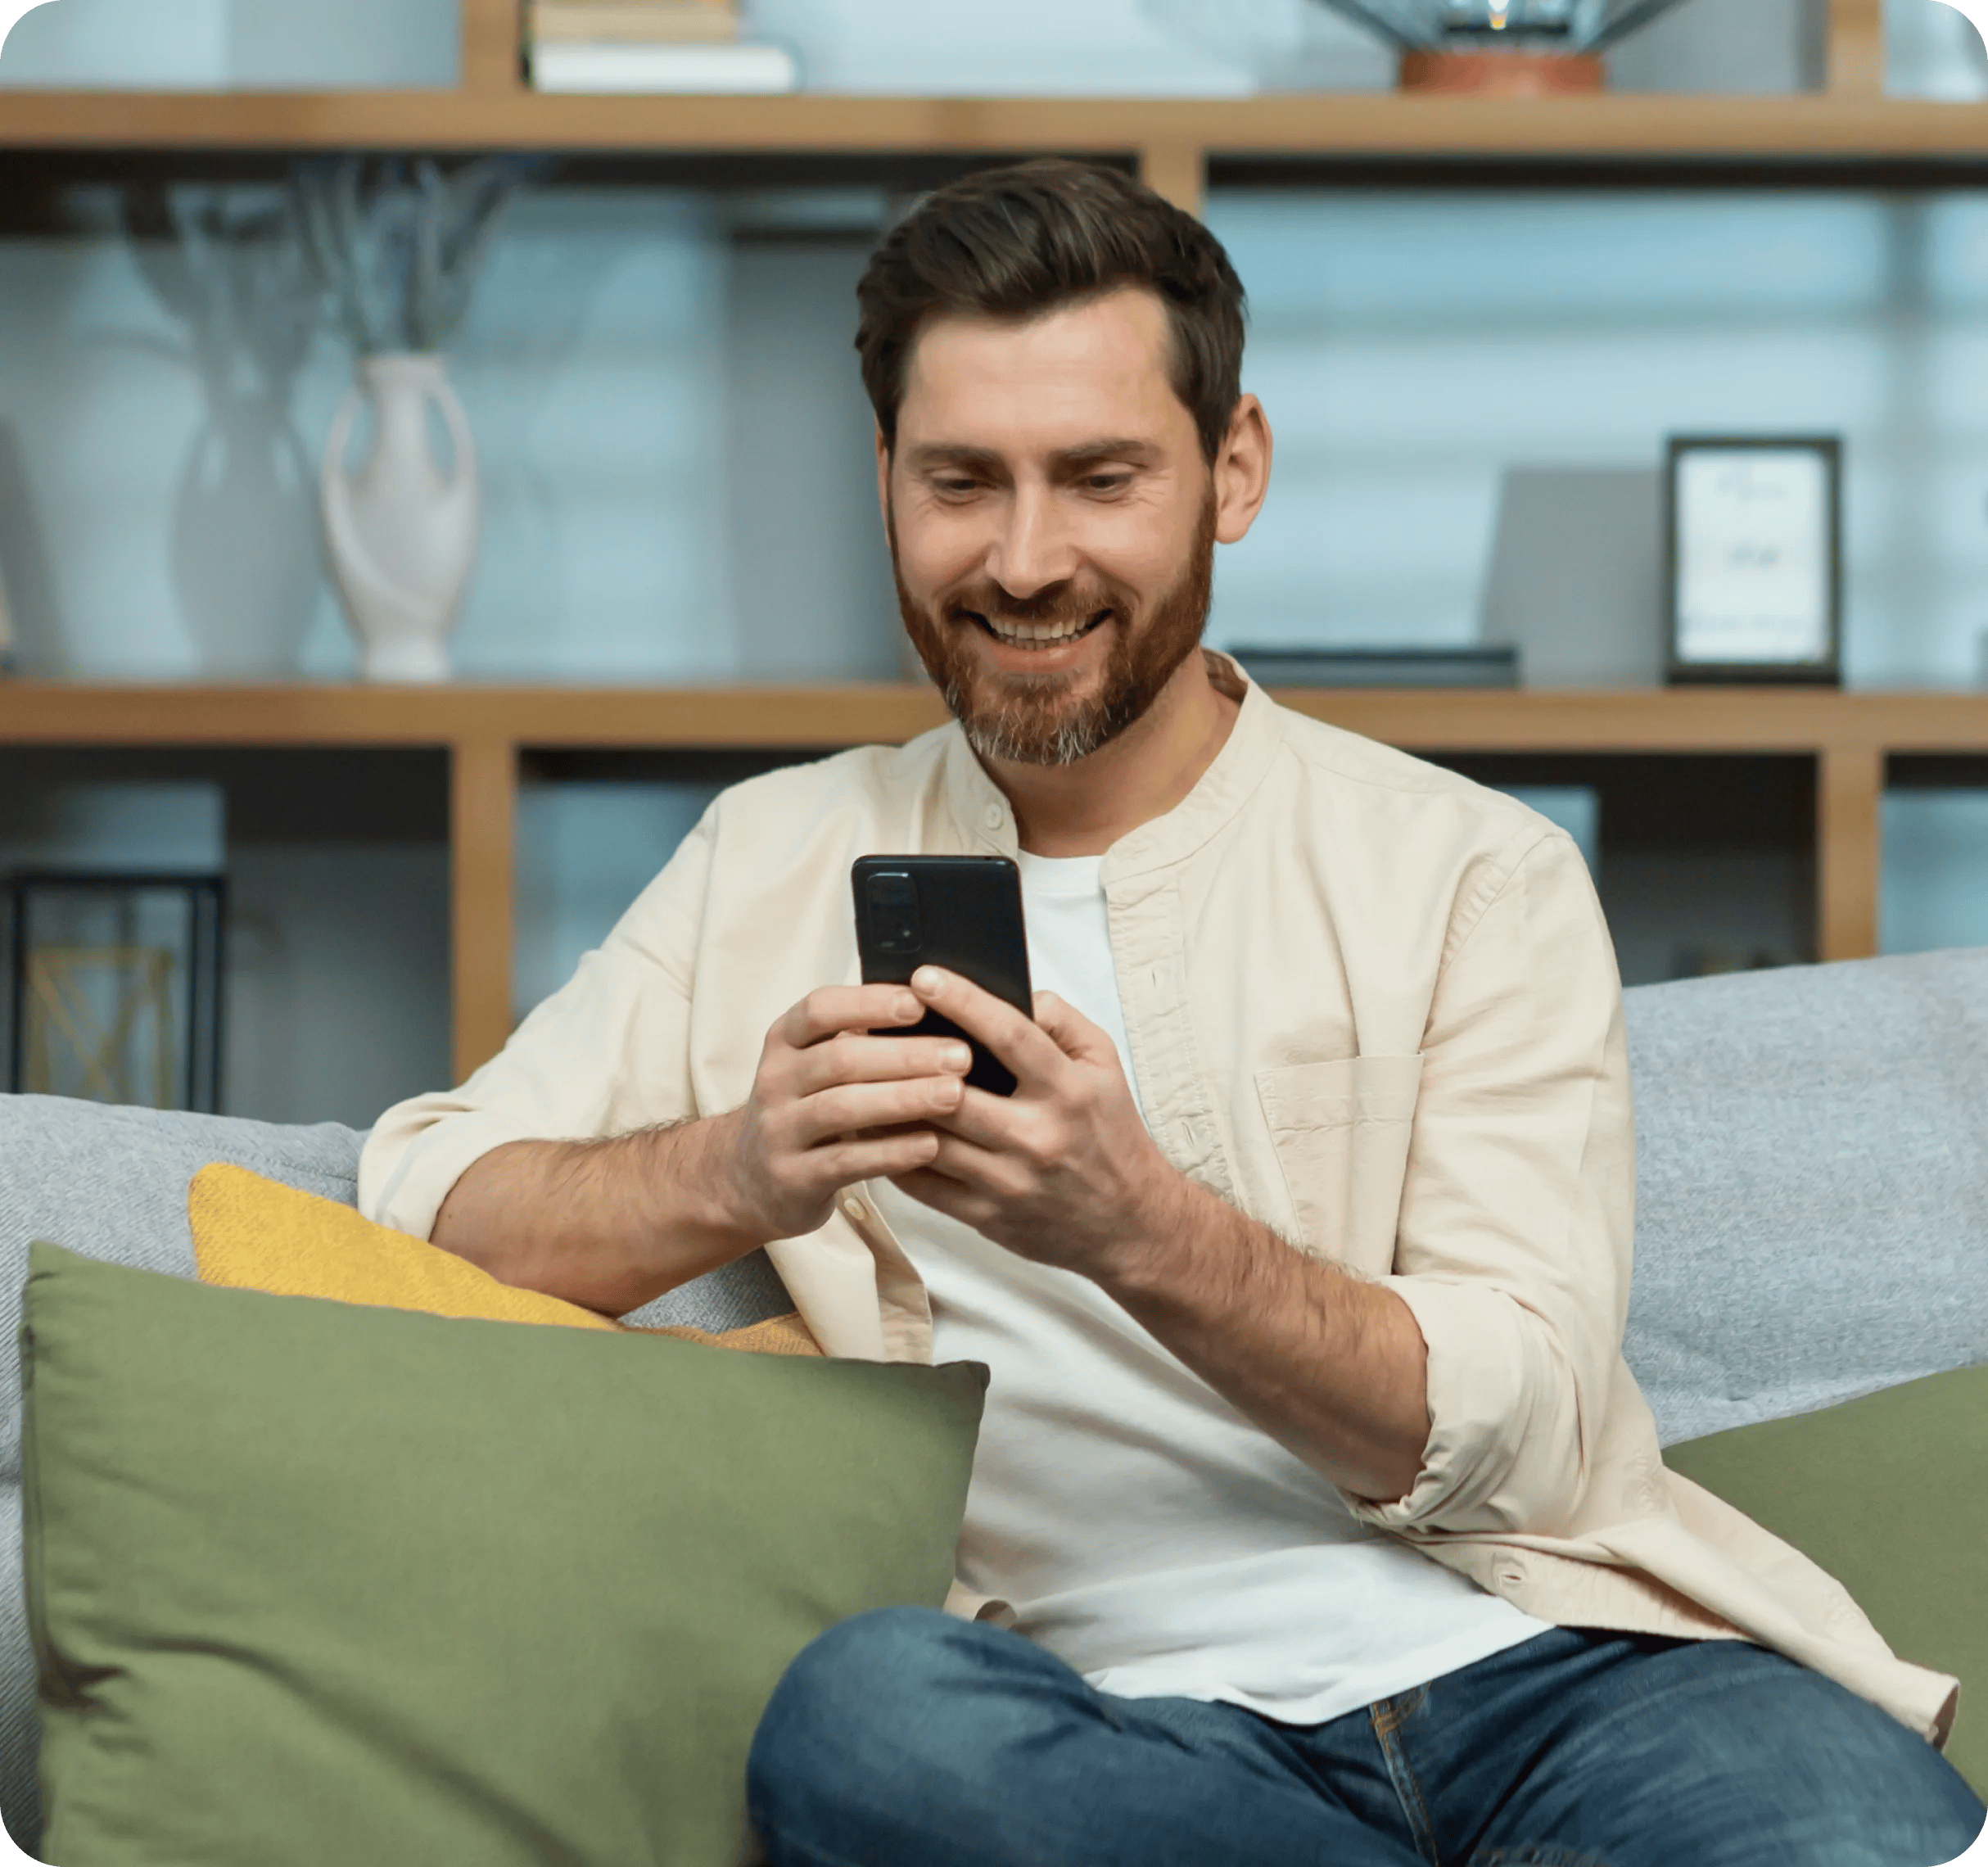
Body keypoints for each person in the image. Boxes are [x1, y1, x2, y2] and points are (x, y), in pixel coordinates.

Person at [360, 160, 1984, 1867]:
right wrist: (741, 1169)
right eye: (960, 482)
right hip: (1117, 1734)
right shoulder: (766, 856)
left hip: (1552, 1668)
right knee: (862, 1722)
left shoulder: (1465, 870)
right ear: (885, 482)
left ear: (1232, 471)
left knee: (1841, 1834)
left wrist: (1132, 1226)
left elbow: (1513, 1411)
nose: (1022, 558)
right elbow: (424, 1200)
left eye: (1099, 477)